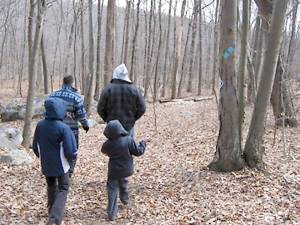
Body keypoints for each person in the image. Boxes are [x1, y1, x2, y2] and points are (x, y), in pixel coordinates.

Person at [32, 98, 77, 225]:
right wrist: (72, 161)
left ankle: (51, 210)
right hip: (61, 164)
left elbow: (35, 146)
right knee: (63, 187)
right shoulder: (64, 128)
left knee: (51, 186)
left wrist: (42, 158)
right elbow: (71, 150)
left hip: (46, 163)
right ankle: (54, 218)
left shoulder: (40, 125)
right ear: (61, 110)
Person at [101, 120, 146, 221]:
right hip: (126, 169)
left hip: (113, 171)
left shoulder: (107, 144)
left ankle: (111, 214)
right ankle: (125, 199)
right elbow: (138, 152)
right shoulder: (128, 140)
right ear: (120, 129)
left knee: (112, 190)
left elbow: (103, 150)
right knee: (123, 180)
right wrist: (142, 144)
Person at [50, 75, 89, 177]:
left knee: (56, 148)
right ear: (72, 83)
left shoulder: (53, 95)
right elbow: (81, 115)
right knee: (72, 149)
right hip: (71, 130)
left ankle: (57, 169)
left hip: (54, 129)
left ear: (63, 82)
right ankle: (69, 171)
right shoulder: (76, 97)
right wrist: (85, 125)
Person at [97, 64, 146, 136]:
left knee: (112, 146)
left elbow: (100, 109)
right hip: (128, 126)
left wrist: (108, 120)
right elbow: (142, 108)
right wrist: (132, 119)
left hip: (113, 127)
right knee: (129, 146)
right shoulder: (134, 89)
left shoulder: (107, 89)